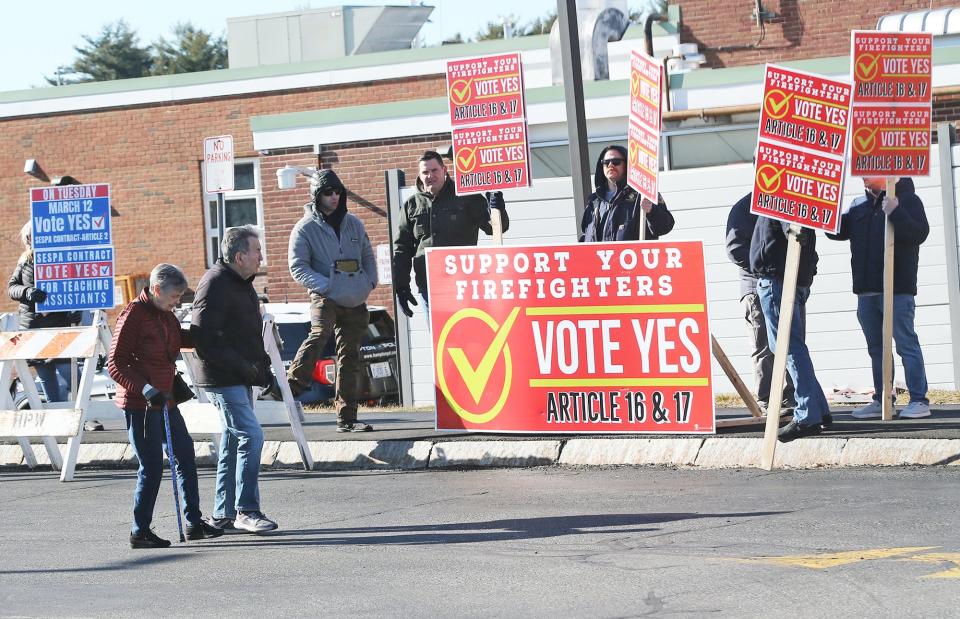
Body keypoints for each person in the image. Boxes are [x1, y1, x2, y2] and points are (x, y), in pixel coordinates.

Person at [108, 264, 223, 548]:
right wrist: (146, 389)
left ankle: (193, 522)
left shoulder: (166, 316)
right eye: (174, 296)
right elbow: (115, 363)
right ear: (157, 289)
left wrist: (208, 332)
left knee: (185, 457)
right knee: (151, 467)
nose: (177, 302)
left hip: (167, 400)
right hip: (142, 404)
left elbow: (179, 340)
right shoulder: (132, 315)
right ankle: (140, 530)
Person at [191, 225, 278, 534]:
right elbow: (204, 339)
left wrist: (262, 368)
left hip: (239, 376)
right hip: (222, 378)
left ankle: (223, 513)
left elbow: (246, 334)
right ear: (239, 256)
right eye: (256, 251)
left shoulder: (241, 283)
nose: (261, 257)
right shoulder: (215, 284)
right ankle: (247, 510)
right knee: (251, 436)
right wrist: (243, 367)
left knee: (232, 441)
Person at [827, 177, 931, 419]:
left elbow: (918, 233)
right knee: (876, 349)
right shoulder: (857, 204)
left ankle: (919, 400)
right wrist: (823, 210)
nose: (864, 173)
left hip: (897, 289)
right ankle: (883, 399)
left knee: (906, 344)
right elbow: (838, 232)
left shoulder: (908, 200)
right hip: (867, 291)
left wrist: (895, 212)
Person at [287, 169, 378, 432]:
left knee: (350, 357)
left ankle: (347, 419)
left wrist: (369, 283)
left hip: (355, 298)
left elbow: (367, 257)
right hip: (325, 297)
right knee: (319, 334)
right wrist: (327, 285)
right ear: (316, 195)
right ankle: (291, 387)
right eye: (328, 192)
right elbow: (298, 267)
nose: (334, 196)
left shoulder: (355, 224)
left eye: (338, 191)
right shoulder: (304, 228)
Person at [392, 150, 509, 316]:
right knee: (439, 341)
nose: (430, 176)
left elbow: (496, 228)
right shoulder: (411, 205)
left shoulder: (466, 196)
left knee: (468, 338)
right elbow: (402, 248)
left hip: (464, 287)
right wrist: (401, 286)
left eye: (434, 170)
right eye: (425, 172)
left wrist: (497, 209)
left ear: (444, 170)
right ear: (419, 175)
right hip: (430, 288)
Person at [750, 217, 832, 442]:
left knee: (789, 348)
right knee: (793, 347)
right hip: (789, 279)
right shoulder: (790, 199)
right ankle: (818, 408)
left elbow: (793, 228)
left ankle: (807, 415)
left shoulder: (783, 198)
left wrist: (793, 232)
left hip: (778, 280)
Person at [725, 194, 796, 412]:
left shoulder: (787, 202)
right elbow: (734, 248)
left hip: (787, 285)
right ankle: (767, 400)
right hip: (756, 289)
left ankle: (790, 397)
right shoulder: (745, 207)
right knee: (763, 345)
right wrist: (765, 269)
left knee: (790, 343)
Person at [7, 221, 80, 403]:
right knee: (47, 379)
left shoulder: (62, 260)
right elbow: (12, 288)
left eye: (34, 236)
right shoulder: (25, 261)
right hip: (34, 327)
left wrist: (74, 310)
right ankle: (56, 419)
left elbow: (74, 289)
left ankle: (85, 415)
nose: (30, 241)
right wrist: (28, 292)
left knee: (72, 374)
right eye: (28, 237)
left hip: (60, 326)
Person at [579, 145, 674, 242]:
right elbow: (586, 235)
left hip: (632, 256)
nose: (610, 165)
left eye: (616, 162)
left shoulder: (643, 194)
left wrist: (651, 210)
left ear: (627, 165)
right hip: (599, 257)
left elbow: (665, 227)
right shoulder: (594, 201)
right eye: (606, 162)